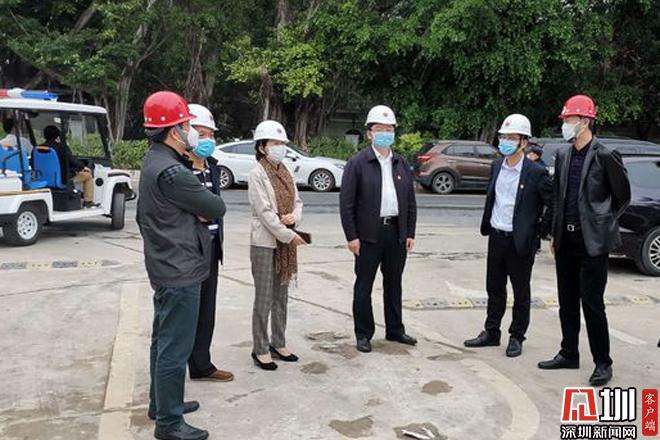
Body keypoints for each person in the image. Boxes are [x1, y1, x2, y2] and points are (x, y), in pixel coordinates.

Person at [137, 91, 226, 440]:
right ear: (174, 131)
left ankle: (161, 404)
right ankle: (169, 423)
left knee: (162, 341)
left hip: (165, 263)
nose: (191, 131)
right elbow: (215, 207)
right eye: (187, 125)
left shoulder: (154, 159)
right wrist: (199, 211)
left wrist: (195, 210)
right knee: (174, 348)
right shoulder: (174, 171)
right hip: (180, 268)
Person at [538, 95, 631, 387]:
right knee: (566, 301)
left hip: (592, 242)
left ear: (586, 121)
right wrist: (554, 234)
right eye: (565, 119)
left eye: (570, 119)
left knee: (592, 304)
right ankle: (569, 353)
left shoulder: (605, 155)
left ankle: (603, 362)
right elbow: (558, 196)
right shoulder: (564, 155)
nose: (566, 124)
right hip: (565, 240)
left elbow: (622, 196)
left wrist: (601, 224)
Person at [464, 114, 552, 357]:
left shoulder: (535, 172)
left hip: (520, 241)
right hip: (496, 236)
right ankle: (491, 332)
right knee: (494, 288)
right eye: (503, 137)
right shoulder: (496, 166)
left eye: (512, 138)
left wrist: (539, 231)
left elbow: (552, 203)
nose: (505, 142)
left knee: (521, 292)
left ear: (524, 142)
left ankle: (517, 336)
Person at [339, 105, 417, 354]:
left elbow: (410, 202)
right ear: (369, 133)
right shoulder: (358, 163)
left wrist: (409, 232)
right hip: (368, 236)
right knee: (364, 286)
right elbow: (347, 204)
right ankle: (364, 333)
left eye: (389, 129)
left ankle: (395, 329)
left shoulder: (400, 163)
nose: (385, 133)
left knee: (394, 284)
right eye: (379, 129)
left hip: (396, 233)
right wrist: (352, 236)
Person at [248, 120, 306, 371]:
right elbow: (265, 213)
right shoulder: (257, 174)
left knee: (281, 296)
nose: (279, 147)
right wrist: (288, 235)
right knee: (264, 298)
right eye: (274, 143)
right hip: (265, 243)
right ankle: (260, 349)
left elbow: (298, 201)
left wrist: (294, 217)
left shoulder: (286, 171)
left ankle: (278, 343)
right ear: (262, 147)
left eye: (282, 143)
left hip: (285, 243)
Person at [185, 104, 234, 383]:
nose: (208, 140)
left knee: (207, 309)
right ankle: (179, 367)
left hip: (212, 248)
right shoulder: (179, 169)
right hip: (190, 250)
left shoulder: (212, 168)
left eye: (211, 135)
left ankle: (202, 364)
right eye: (201, 134)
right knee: (186, 313)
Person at [42, 125, 98, 208]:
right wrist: (83, 167)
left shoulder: (38, 148)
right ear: (57, 136)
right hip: (62, 179)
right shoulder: (62, 148)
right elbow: (74, 162)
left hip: (43, 179)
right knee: (88, 176)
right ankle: (88, 201)